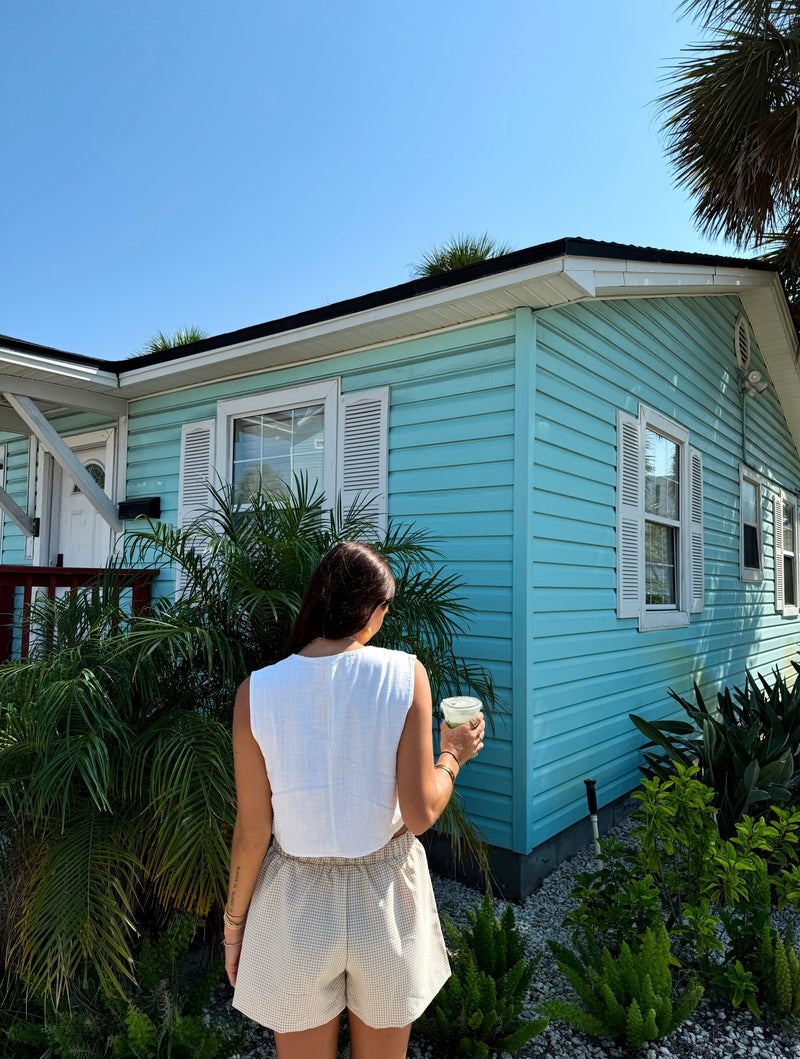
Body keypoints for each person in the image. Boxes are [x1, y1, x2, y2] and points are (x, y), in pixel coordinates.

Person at [223, 540, 485, 1059]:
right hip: (384, 894)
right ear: (373, 609)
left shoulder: (256, 692)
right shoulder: (405, 674)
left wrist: (234, 928)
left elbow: (253, 833)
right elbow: (420, 813)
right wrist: (452, 755)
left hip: (295, 901)